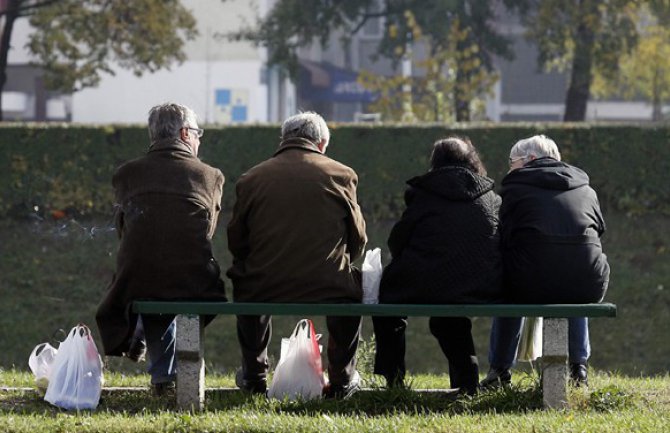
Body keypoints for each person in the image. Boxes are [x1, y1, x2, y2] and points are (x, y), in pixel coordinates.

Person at [227, 111, 367, 398]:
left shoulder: (251, 178)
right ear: (322, 143)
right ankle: (342, 377)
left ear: (284, 139)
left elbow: (236, 240)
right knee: (352, 288)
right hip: (328, 284)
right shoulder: (342, 174)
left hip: (264, 283)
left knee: (245, 282)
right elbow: (358, 239)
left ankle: (254, 376)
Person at [96, 102, 227, 394]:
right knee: (187, 281)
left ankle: (162, 377)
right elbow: (206, 231)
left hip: (136, 278)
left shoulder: (126, 174)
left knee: (150, 278)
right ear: (184, 133)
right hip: (193, 277)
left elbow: (123, 229)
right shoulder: (210, 175)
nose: (198, 138)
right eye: (196, 133)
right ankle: (174, 370)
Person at [372, 137, 503, 394]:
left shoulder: (424, 193)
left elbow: (397, 240)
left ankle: (393, 379)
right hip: (482, 284)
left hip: (426, 283)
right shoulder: (491, 198)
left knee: (388, 304)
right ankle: (467, 381)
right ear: (471, 160)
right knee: (447, 320)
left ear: (436, 162)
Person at [481, 134, 610, 388]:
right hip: (590, 282)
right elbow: (599, 229)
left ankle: (500, 370)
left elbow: (502, 235)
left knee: (509, 286)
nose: (510, 168)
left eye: (512, 161)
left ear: (529, 160)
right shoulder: (586, 189)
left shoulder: (514, 189)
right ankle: (579, 368)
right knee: (574, 278)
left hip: (529, 282)